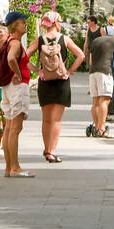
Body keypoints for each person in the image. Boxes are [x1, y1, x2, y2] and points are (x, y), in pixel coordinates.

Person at [26, 10, 85, 162]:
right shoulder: (65, 39)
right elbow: (81, 55)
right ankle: (52, 151)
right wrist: (70, 70)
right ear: (57, 23)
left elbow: (24, 57)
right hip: (61, 81)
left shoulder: (39, 40)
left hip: (44, 81)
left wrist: (37, 70)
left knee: (46, 119)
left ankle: (46, 150)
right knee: (57, 120)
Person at [0, 11, 34, 178]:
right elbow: (11, 59)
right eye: (22, 22)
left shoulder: (7, 41)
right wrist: (19, 74)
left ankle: (8, 167)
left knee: (8, 127)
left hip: (7, 88)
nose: (25, 25)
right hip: (18, 88)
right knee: (16, 128)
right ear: (14, 25)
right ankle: (15, 167)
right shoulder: (15, 43)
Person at [83, 15, 114, 137]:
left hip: (93, 72)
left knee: (95, 101)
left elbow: (91, 58)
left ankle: (97, 128)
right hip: (105, 72)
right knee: (104, 101)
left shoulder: (96, 41)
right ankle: (101, 129)